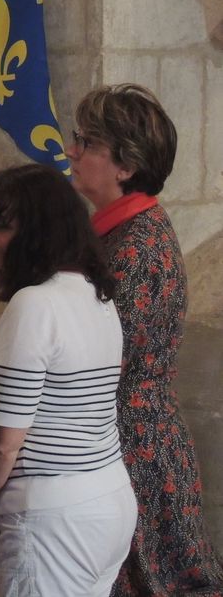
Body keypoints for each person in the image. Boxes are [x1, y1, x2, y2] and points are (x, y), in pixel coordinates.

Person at [68, 84, 223, 596]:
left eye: (88, 143)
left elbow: (95, 364)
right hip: (130, 438)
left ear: (125, 166)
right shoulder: (119, 232)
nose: (73, 152)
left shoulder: (135, 249)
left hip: (136, 450)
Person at [0, 163, 138, 597]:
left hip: (54, 516)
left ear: (37, 232)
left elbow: (4, 441)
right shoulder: (96, 295)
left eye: (0, 224)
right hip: (107, 499)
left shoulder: (35, 304)